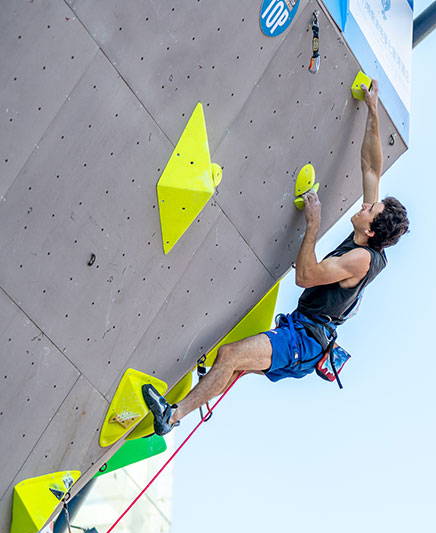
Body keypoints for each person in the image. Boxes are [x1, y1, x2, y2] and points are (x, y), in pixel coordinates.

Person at [142, 80, 409, 435]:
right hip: (302, 332)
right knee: (232, 362)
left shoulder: (362, 259)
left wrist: (312, 225)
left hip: (305, 341)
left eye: (371, 208)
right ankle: (176, 412)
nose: (365, 204)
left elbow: (306, 276)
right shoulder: (366, 235)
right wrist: (372, 109)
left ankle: (170, 417)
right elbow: (372, 169)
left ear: (372, 230)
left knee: (230, 356)